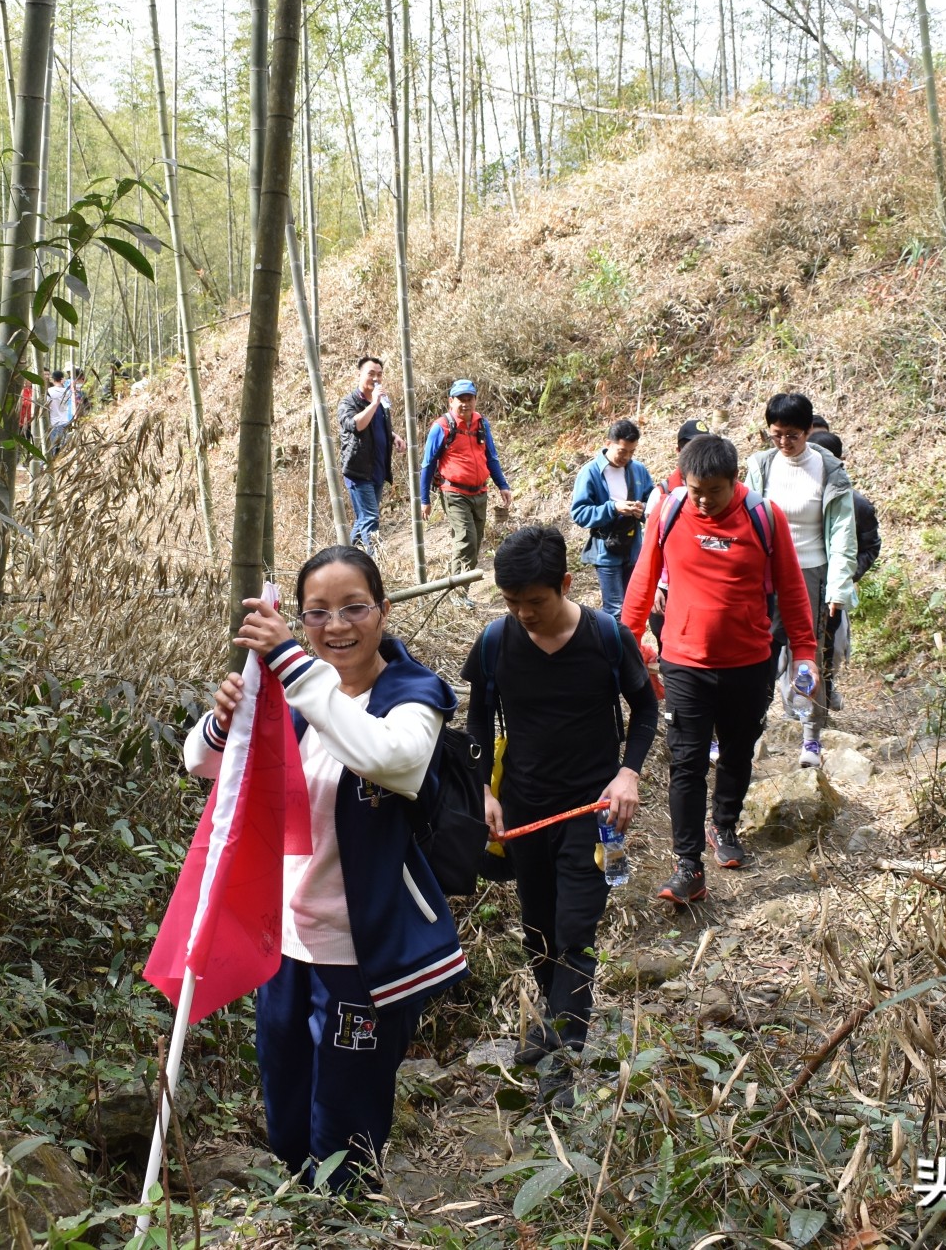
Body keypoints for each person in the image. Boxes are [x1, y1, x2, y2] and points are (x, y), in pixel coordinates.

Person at [182, 545, 465, 1187]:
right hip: (285, 942)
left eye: (353, 608)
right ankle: (297, 1210)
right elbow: (203, 765)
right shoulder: (292, 691)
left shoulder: (414, 696)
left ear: (383, 612)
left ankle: (344, 1222)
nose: (336, 626)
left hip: (363, 953)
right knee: (285, 1112)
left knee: (346, 1128)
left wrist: (291, 667)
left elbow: (389, 758)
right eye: (317, 613)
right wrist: (225, 721)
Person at [462, 527, 656, 1104]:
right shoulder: (496, 642)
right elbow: (477, 724)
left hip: (594, 810)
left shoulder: (605, 636)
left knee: (576, 927)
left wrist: (630, 772)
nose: (524, 613)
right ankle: (552, 1021)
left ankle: (565, 1055)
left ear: (565, 585)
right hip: (523, 805)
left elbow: (644, 707)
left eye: (535, 602)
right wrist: (483, 791)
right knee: (539, 926)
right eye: (512, 602)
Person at [621, 434, 818, 902]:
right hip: (685, 660)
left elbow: (792, 589)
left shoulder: (763, 518)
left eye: (714, 490)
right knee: (686, 760)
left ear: (736, 479)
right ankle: (687, 865)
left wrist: (805, 652)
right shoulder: (669, 512)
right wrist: (625, 643)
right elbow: (643, 580)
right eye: (696, 491)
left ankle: (724, 825)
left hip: (750, 662)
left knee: (737, 751)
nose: (704, 501)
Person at [746, 393, 859, 768]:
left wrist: (840, 585)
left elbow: (843, 530)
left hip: (810, 572)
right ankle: (750, 728)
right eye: (776, 435)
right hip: (765, 573)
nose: (783, 443)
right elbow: (746, 522)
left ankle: (811, 737)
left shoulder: (828, 470)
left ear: (809, 430)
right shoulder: (761, 467)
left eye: (792, 435)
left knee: (807, 653)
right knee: (759, 653)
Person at [418, 379, 513, 605]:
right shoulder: (441, 426)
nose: (465, 404)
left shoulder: (481, 424)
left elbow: (491, 456)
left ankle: (461, 591)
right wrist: (424, 499)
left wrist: (502, 485)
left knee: (475, 541)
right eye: (461, 399)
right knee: (466, 539)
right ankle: (457, 595)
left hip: (479, 492)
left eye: (469, 399)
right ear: (451, 401)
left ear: (475, 400)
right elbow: (428, 464)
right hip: (454, 492)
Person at [806, 429, 878, 712]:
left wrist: (845, 575)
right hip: (798, 584)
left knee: (827, 649)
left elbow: (870, 546)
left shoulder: (857, 504)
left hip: (831, 591)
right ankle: (793, 712)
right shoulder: (795, 497)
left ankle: (820, 708)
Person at [569, 420, 655, 617]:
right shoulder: (590, 472)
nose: (627, 457)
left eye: (632, 452)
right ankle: (616, 647)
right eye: (622, 451)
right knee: (615, 609)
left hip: (633, 547)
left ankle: (632, 646)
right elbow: (580, 513)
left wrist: (642, 510)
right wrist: (613, 508)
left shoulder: (638, 469)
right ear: (608, 443)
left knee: (634, 605)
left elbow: (652, 502)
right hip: (606, 550)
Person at [643, 419, 709, 644]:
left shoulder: (718, 493)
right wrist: (654, 588)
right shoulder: (661, 494)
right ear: (679, 451)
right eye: (690, 448)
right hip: (667, 589)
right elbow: (649, 552)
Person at [335, 358, 407, 552]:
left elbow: (377, 427)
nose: (376, 378)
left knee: (363, 520)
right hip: (358, 471)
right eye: (371, 373)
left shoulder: (381, 402)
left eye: (379, 374)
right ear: (359, 375)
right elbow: (356, 425)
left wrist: (394, 436)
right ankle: (376, 564)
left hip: (377, 470)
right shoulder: (348, 403)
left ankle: (347, 559)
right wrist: (374, 402)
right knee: (370, 519)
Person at [45, 368, 74, 457]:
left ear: (53, 379)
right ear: (62, 379)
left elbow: (46, 406)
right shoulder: (68, 392)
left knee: (53, 446)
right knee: (62, 446)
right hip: (65, 421)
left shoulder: (49, 391)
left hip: (54, 422)